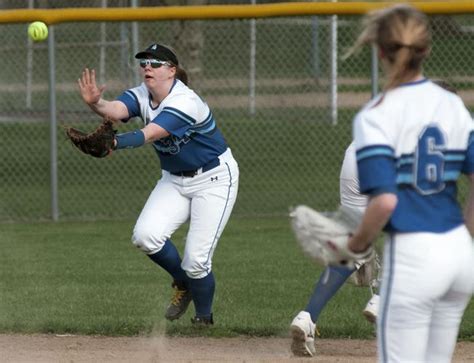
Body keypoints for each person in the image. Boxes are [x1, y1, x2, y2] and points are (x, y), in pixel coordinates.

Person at [345, 4, 474, 362]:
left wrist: (354, 246)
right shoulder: (452, 104)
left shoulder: (377, 115)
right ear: (427, 49)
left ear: (380, 51)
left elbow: (385, 202)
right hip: (460, 258)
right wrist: (464, 236)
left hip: (415, 257)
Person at [77, 43, 239, 326]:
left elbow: (150, 133)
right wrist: (96, 103)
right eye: (144, 63)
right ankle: (183, 283)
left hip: (214, 179)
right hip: (174, 180)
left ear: (172, 71)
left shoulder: (185, 101)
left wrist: (114, 142)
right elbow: (116, 110)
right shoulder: (143, 94)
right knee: (145, 236)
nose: (147, 67)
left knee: (196, 260)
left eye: (155, 63)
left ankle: (204, 320)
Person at [289, 141, 380, 357]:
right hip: (391, 154)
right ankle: (382, 302)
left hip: (356, 154)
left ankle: (307, 318)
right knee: (411, 237)